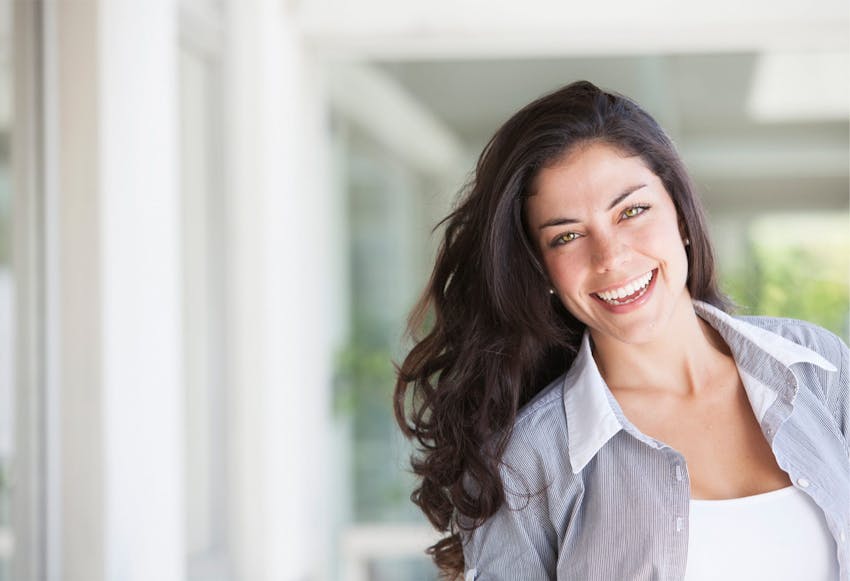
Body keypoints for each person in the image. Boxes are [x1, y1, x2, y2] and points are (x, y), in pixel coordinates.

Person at [393, 80, 849, 580]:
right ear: (540, 268)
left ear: (680, 213)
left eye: (631, 211)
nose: (610, 258)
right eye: (567, 236)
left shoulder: (817, 368)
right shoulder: (532, 464)